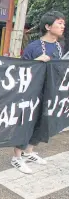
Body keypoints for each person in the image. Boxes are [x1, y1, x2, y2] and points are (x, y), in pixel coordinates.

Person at [12, 10, 65, 174]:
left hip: (50, 93)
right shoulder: (33, 47)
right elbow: (20, 70)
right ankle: (16, 157)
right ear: (48, 26)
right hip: (32, 94)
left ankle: (29, 152)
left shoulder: (59, 46)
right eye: (59, 23)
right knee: (26, 124)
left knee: (43, 124)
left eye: (63, 23)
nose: (63, 26)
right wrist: (36, 61)